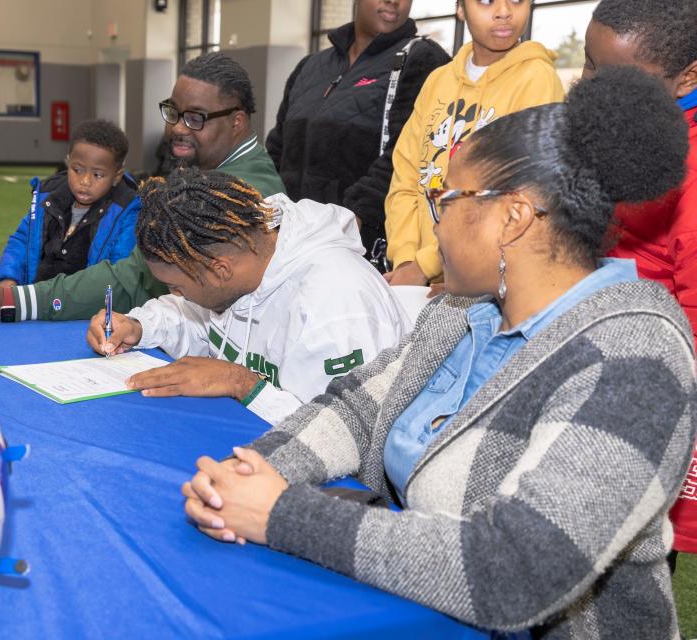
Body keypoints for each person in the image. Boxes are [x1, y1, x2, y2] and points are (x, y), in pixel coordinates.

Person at [181, 67, 694, 638]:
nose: (435, 224)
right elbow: (356, 409)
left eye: (446, 200)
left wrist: (280, 513)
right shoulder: (460, 311)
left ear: (512, 217)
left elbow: (515, 570)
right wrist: (251, 471)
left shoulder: (633, 356)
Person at [0, 52, 285, 323]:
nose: (177, 128)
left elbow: (134, 278)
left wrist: (7, 300)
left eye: (195, 118)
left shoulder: (239, 191)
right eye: (173, 112)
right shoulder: (217, 172)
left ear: (238, 122)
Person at [85, 167, 409, 425]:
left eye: (177, 286)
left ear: (220, 270)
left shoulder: (336, 305)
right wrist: (139, 326)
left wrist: (241, 382)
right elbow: (196, 318)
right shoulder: (242, 257)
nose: (176, 295)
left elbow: (346, 432)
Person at [584, 0, 697, 571]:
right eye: (588, 66)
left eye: (618, 78)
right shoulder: (619, 128)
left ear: (687, 77)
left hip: (648, 391)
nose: (595, 88)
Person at [383, 0, 564, 286]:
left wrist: (427, 264)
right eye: (486, 1)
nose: (504, 11)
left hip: (490, 280)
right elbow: (405, 176)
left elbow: (515, 194)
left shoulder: (537, 79)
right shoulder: (438, 81)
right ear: (460, 8)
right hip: (417, 276)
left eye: (517, 0)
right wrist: (405, 257)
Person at [266, 0, 449, 263]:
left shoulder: (422, 59)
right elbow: (277, 148)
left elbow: (406, 156)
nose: (393, 1)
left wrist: (352, 218)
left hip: (357, 244)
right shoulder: (310, 67)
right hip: (289, 239)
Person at [0, 119, 139, 286]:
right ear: (68, 162)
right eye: (77, 170)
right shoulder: (47, 195)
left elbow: (119, 272)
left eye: (98, 175)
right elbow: (22, 241)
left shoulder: (126, 211)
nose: (85, 181)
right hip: (35, 300)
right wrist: (8, 277)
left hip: (84, 307)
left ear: (117, 176)